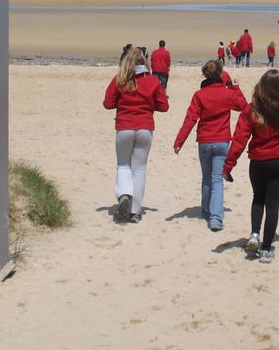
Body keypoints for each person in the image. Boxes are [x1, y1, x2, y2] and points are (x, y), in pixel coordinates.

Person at [224, 70, 279, 264]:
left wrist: (229, 165)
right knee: (273, 205)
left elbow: (239, 140)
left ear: (260, 87)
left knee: (258, 199)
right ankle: (266, 249)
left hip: (258, 163)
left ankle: (255, 234)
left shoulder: (251, 110)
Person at [173, 60, 248, 231]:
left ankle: (207, 210)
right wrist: (235, 87)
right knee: (216, 180)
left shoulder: (199, 95)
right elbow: (244, 106)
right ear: (220, 74)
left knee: (207, 178)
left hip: (205, 142)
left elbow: (190, 119)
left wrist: (179, 142)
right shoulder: (226, 93)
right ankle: (215, 217)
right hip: (221, 141)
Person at [103, 47, 170, 224]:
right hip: (145, 127)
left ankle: (124, 194)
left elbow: (108, 103)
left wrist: (124, 102)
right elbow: (164, 106)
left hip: (124, 126)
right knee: (139, 168)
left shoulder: (120, 79)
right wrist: (148, 105)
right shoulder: (153, 81)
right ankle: (135, 211)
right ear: (145, 61)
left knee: (123, 165)